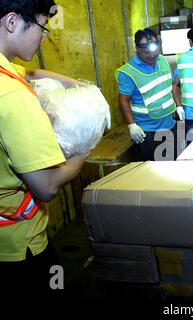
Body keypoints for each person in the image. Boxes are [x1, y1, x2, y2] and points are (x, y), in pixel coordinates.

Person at [0, 0, 92, 296]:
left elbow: (29, 74)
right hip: (18, 244)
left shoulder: (8, 77)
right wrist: (84, 150)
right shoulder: (13, 97)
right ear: (12, 22)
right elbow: (46, 187)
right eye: (41, 26)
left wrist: (77, 85)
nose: (44, 36)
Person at [116, 28, 180, 161]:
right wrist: (131, 125)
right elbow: (123, 100)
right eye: (147, 53)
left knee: (174, 164)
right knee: (155, 171)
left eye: (155, 51)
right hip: (148, 132)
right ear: (137, 48)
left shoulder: (162, 60)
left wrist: (178, 106)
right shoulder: (128, 72)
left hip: (170, 125)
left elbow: (172, 84)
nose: (152, 56)